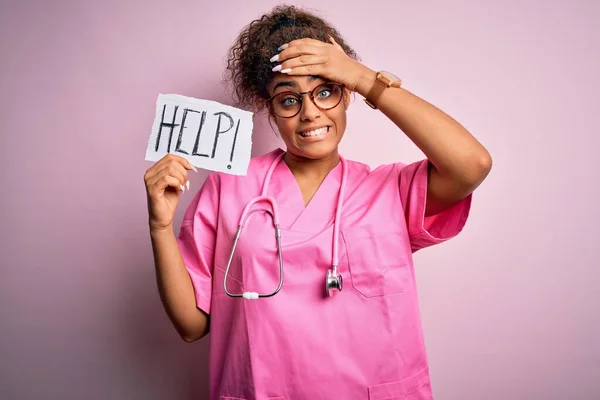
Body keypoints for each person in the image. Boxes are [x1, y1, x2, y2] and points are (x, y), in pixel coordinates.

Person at [144, 5, 492, 399]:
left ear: (347, 96)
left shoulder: (390, 189)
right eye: (289, 100)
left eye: (326, 91)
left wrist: (363, 77)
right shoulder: (229, 188)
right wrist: (159, 227)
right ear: (271, 111)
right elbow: (191, 325)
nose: (310, 113)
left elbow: (472, 164)